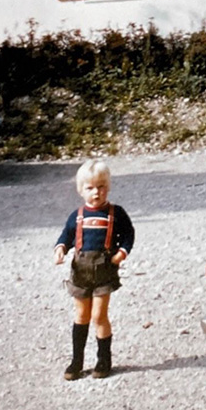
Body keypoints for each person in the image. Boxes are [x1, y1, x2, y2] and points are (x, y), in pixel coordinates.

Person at [54, 158, 135, 380]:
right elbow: (66, 236)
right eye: (90, 188)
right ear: (81, 190)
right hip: (81, 272)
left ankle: (103, 359)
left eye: (101, 187)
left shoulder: (116, 214)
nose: (96, 193)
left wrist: (122, 252)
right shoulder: (77, 216)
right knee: (81, 315)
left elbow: (128, 234)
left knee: (99, 316)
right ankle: (77, 361)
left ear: (108, 187)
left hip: (104, 271)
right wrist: (60, 249)